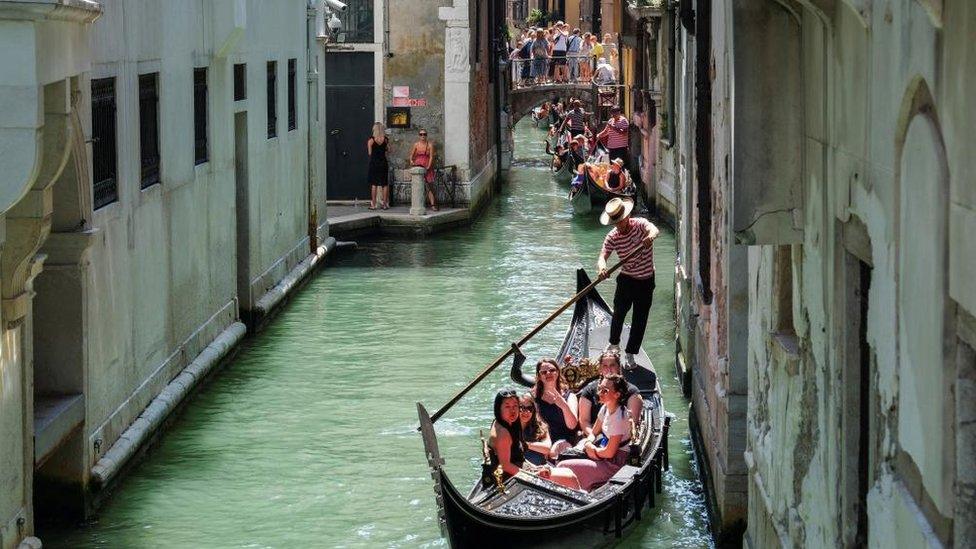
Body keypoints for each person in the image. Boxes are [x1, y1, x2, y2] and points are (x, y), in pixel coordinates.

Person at [597, 198, 661, 368]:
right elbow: (603, 255)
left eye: (621, 221)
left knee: (640, 319)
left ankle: (631, 354)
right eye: (616, 223)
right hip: (626, 280)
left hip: (646, 281)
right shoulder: (613, 236)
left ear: (628, 216)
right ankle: (614, 344)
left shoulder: (640, 225)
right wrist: (602, 268)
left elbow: (654, 229)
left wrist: (650, 237)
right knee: (618, 313)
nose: (619, 225)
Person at [487, 389, 582, 490]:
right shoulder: (503, 433)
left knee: (568, 472)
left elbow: (518, 458)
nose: (513, 410)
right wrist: (533, 475)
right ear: (499, 409)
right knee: (570, 477)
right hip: (510, 477)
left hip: (521, 468)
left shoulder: (503, 423)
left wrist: (535, 468)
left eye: (515, 406)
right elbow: (505, 465)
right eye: (507, 406)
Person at [558, 374, 633, 491]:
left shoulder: (619, 418)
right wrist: (588, 443)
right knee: (565, 457)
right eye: (600, 389)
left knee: (563, 466)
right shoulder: (605, 408)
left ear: (617, 395)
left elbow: (609, 453)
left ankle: (578, 493)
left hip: (614, 463)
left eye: (605, 391)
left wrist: (594, 452)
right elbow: (594, 432)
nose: (600, 393)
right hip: (602, 452)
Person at [577, 352, 643, 435]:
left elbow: (632, 423)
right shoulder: (589, 391)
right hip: (594, 435)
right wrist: (592, 438)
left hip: (620, 436)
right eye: (605, 366)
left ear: (618, 367)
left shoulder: (632, 391)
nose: (609, 369)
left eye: (612, 365)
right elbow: (584, 420)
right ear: (600, 369)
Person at [532, 359, 580, 447]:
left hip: (566, 440)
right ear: (539, 376)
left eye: (552, 370)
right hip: (544, 439)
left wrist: (564, 406)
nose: (548, 373)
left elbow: (572, 426)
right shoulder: (534, 398)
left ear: (557, 372)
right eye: (544, 372)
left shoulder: (570, 396)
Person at [519, 393, 552, 466]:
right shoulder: (509, 427)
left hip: (539, 467)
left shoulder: (541, 427)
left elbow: (547, 449)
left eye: (529, 408)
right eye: (522, 408)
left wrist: (524, 444)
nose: (526, 412)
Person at [409, 129, 438, 211]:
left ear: (426, 135)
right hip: (418, 165)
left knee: (429, 186)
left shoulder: (430, 145)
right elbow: (411, 155)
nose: (422, 136)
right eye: (421, 134)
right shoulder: (416, 145)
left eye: (424, 134)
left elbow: (431, 156)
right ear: (419, 135)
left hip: (426, 165)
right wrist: (411, 161)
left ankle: (433, 205)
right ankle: (418, 204)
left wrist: (429, 166)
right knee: (418, 185)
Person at [366, 122, 390, 210]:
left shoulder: (371, 140)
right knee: (384, 183)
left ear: (374, 129)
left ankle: (373, 204)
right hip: (383, 162)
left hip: (374, 163)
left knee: (374, 184)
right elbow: (389, 150)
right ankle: (384, 204)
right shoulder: (385, 139)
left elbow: (369, 153)